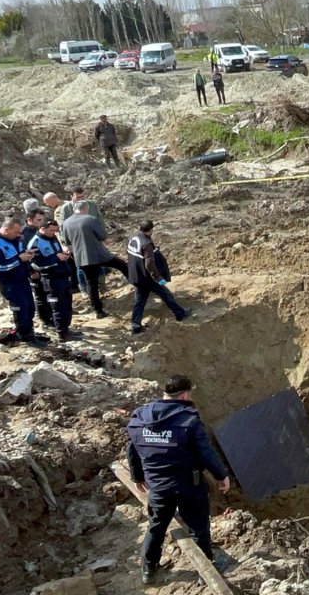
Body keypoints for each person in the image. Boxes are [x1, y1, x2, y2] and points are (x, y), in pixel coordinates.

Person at [126, 374, 231, 585]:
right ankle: (207, 565)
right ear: (184, 394)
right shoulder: (189, 420)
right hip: (188, 487)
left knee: (156, 526)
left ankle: (148, 568)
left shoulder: (139, 418)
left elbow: (133, 450)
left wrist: (137, 476)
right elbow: (205, 453)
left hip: (158, 487)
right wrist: (221, 476)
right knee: (198, 527)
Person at [0, 218, 47, 345]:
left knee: (29, 308)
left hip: (22, 279)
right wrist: (19, 259)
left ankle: (29, 333)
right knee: (21, 310)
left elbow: (20, 255)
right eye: (16, 232)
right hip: (10, 283)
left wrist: (29, 266)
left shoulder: (15, 239)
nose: (19, 235)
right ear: (6, 230)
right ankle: (24, 337)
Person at [61, 201, 127, 319]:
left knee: (91, 284)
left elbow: (67, 241)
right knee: (122, 265)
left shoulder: (66, 223)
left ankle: (98, 311)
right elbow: (102, 235)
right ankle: (138, 284)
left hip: (81, 258)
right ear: (85, 208)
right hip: (99, 254)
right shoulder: (91, 219)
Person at [126, 220, 188, 334]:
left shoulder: (132, 238)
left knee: (139, 301)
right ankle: (180, 314)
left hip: (136, 276)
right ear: (151, 230)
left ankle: (135, 325)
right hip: (147, 278)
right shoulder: (146, 244)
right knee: (165, 293)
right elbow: (149, 264)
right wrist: (159, 278)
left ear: (139, 227)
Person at [28, 219, 81, 342]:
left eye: (55, 231)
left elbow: (56, 252)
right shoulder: (35, 243)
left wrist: (64, 254)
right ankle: (61, 332)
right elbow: (36, 264)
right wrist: (56, 258)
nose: (54, 233)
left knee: (67, 304)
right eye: (51, 230)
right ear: (42, 229)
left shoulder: (52, 238)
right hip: (50, 279)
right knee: (58, 306)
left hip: (63, 276)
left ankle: (66, 328)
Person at [21, 209, 55, 330]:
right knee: (40, 295)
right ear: (30, 220)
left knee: (48, 293)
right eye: (38, 220)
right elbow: (25, 255)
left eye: (42, 220)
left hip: (46, 267)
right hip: (35, 269)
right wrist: (32, 271)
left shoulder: (39, 230)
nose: (41, 222)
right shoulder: (23, 234)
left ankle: (51, 316)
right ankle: (45, 320)